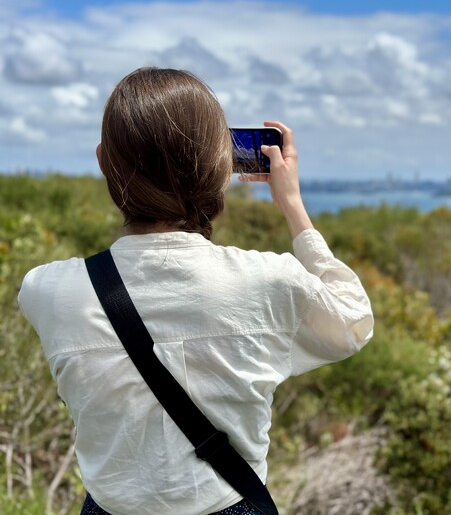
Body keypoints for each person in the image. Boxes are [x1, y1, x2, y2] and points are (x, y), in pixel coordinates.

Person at [17, 67, 374, 515]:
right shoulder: (266, 281)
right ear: (222, 167)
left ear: (104, 161)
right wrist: (293, 207)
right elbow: (353, 320)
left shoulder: (45, 289)